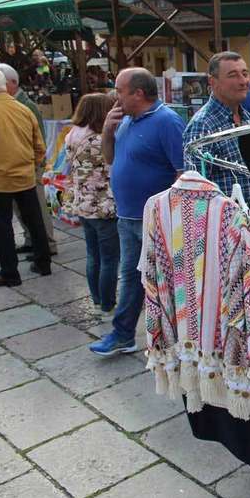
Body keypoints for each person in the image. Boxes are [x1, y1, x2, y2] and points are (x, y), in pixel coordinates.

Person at [89, 67, 184, 356]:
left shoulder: (167, 122)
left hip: (155, 220)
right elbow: (109, 157)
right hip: (127, 217)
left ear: (138, 93)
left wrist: (165, 214)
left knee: (167, 282)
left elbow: (183, 173)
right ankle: (123, 334)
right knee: (130, 277)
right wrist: (107, 130)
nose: (114, 96)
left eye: (119, 90)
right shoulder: (125, 120)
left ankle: (177, 341)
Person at [0, 68, 51, 287]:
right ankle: (44, 263)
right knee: (34, 222)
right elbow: (40, 146)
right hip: (25, 176)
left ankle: (10, 273)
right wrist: (32, 167)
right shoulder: (24, 109)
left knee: (2, 227)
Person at [184, 51, 250, 206]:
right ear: (213, 82)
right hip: (222, 225)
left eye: (245, 73)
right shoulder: (202, 125)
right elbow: (195, 193)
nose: (243, 81)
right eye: (233, 75)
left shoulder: (246, 117)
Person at [65, 93, 119, 320]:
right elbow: (112, 165)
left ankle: (97, 300)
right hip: (103, 207)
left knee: (92, 255)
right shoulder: (99, 140)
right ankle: (107, 304)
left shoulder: (72, 135)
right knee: (109, 259)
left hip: (82, 205)